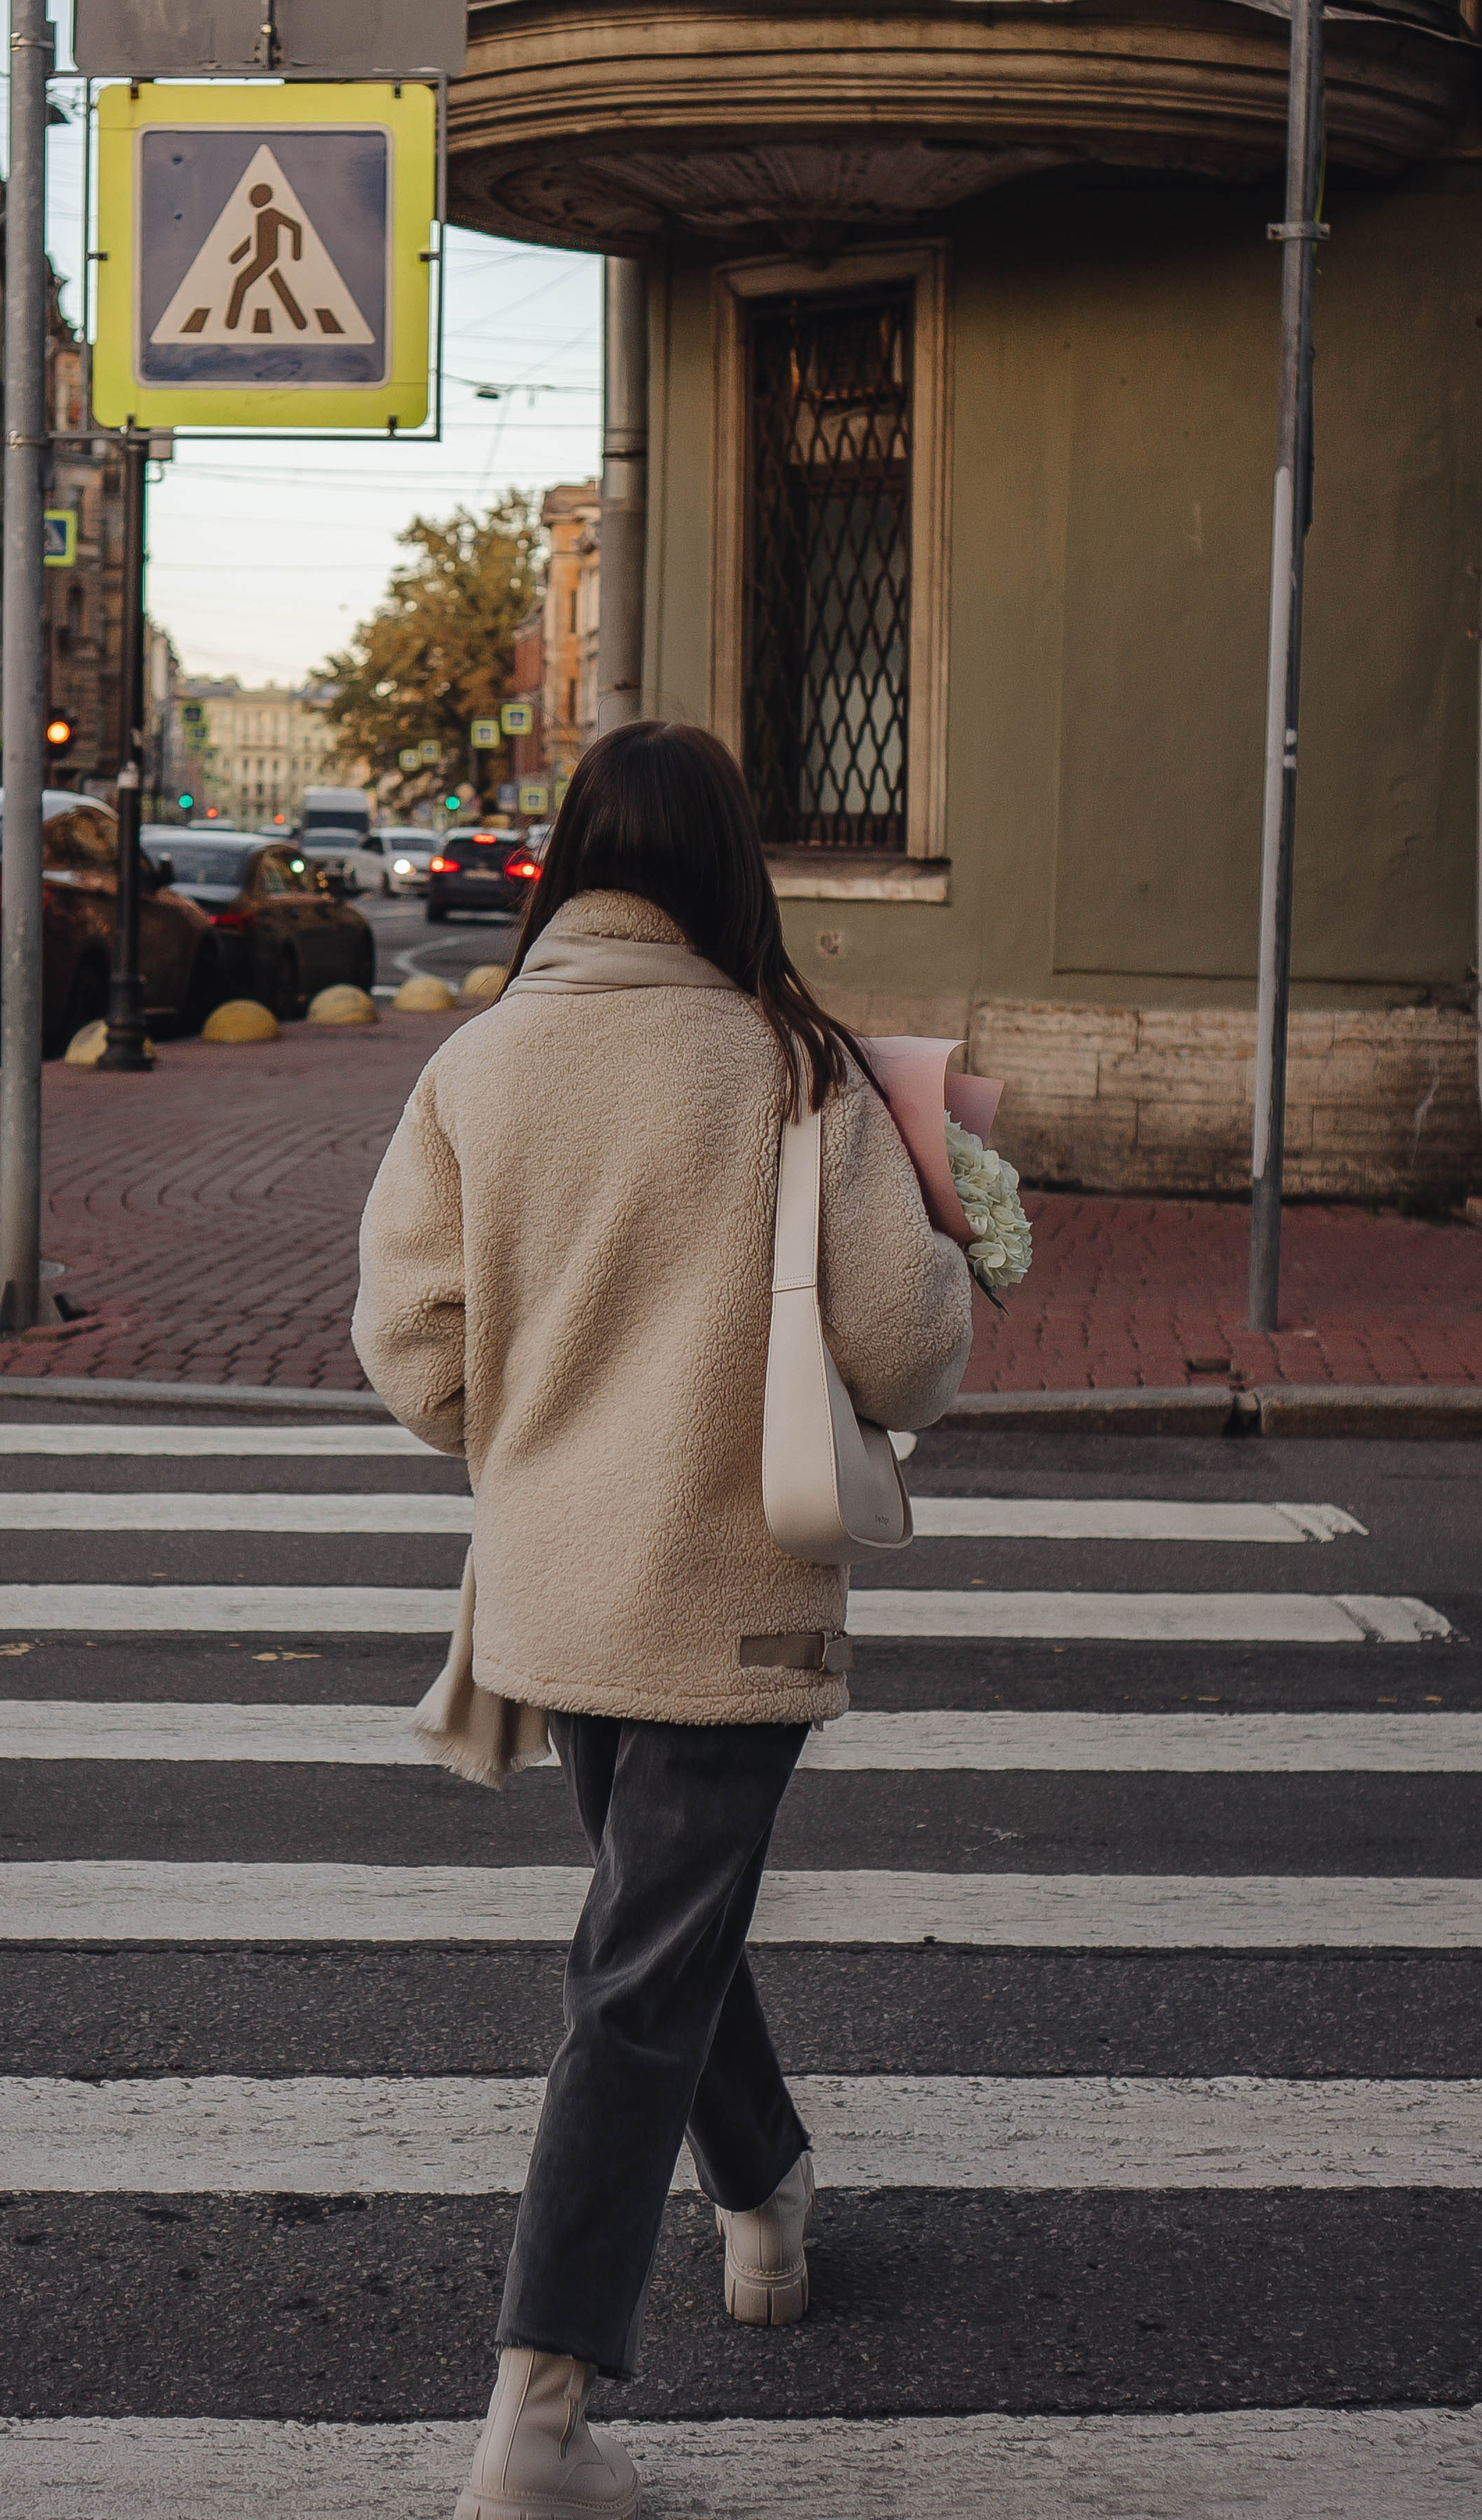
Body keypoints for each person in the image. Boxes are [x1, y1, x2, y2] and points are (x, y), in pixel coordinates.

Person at [353, 721, 974, 2520]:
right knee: (641, 1971)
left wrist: (537, 1433)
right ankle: (535, 2421)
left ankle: (763, 2193)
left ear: (567, 862)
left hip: (556, 1586)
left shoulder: (477, 1065)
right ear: (723, 867)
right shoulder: (792, 1067)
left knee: (655, 1929)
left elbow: (412, 1351)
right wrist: (956, 1247)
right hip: (731, 1592)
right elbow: (901, 1348)